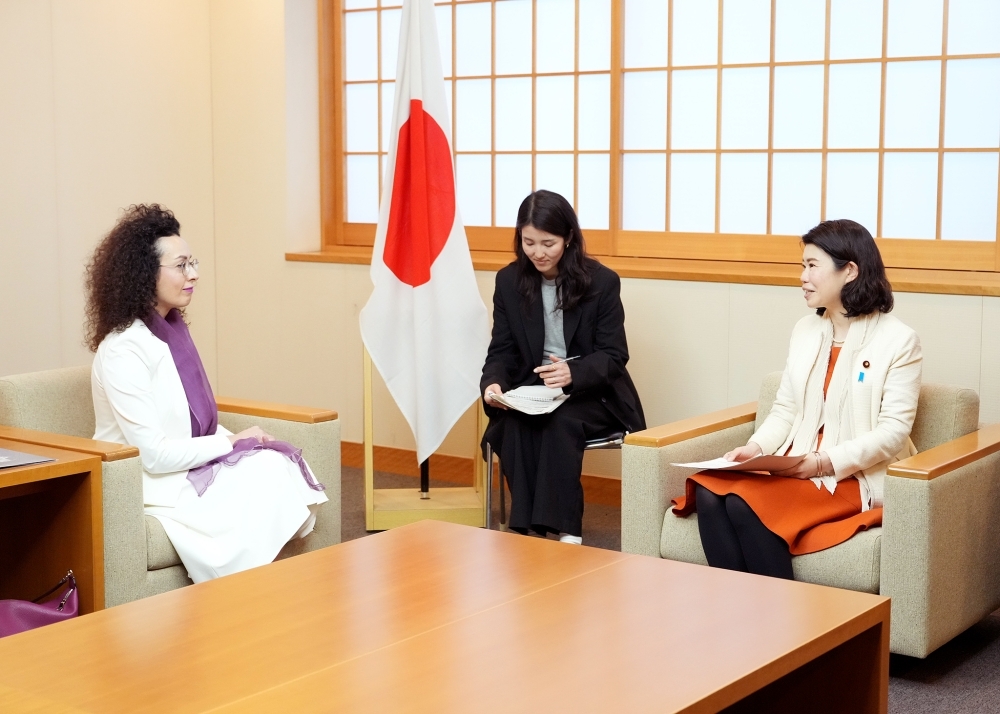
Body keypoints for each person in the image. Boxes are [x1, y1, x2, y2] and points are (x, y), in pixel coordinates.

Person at [85, 204, 327, 583]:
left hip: (182, 468)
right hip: (147, 481)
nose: (194, 274)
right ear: (144, 273)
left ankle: (259, 588)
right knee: (266, 476)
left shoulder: (170, 332)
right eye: (181, 265)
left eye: (192, 263)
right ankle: (245, 591)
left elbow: (192, 423)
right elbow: (153, 455)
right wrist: (231, 443)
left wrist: (243, 442)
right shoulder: (124, 349)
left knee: (274, 463)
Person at [672, 219, 922, 579]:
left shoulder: (898, 340)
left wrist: (821, 463)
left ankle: (780, 614)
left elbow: (893, 432)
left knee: (743, 505)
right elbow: (786, 409)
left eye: (812, 266)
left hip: (851, 476)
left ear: (850, 271)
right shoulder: (806, 330)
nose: (803, 277)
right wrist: (754, 449)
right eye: (803, 266)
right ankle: (735, 608)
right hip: (797, 464)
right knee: (709, 493)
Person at [481, 190, 645, 544]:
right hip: (533, 391)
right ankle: (528, 530)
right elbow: (502, 350)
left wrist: (574, 373)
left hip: (592, 392)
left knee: (559, 422)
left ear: (568, 237)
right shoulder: (509, 281)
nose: (538, 253)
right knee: (513, 422)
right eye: (528, 242)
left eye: (548, 243)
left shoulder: (601, 281)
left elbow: (614, 355)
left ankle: (567, 532)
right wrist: (492, 384)